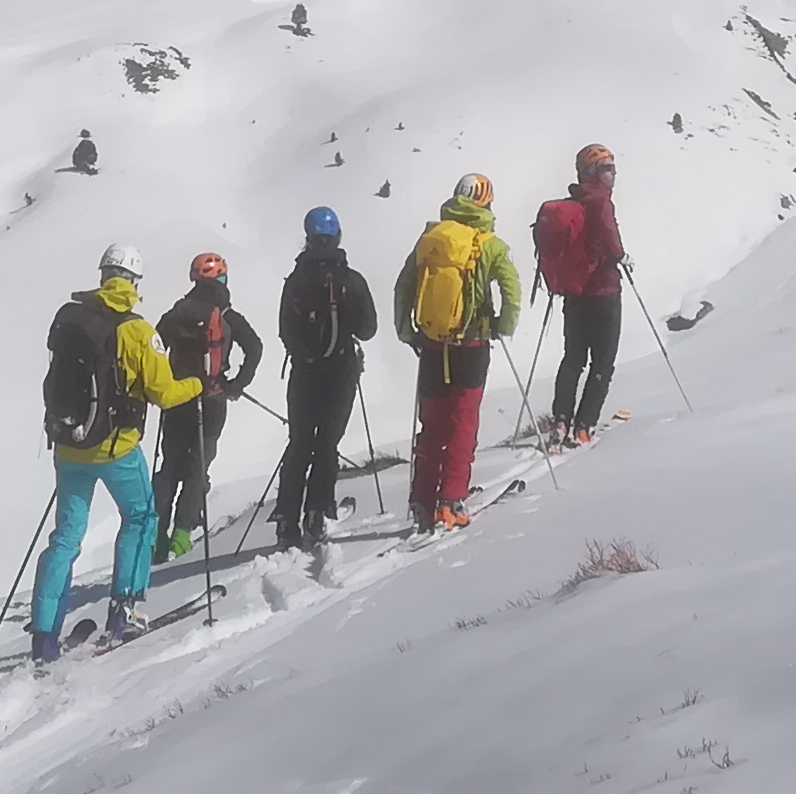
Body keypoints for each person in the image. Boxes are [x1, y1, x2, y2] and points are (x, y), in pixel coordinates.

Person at [30, 241, 202, 665]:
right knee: (141, 517)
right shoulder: (138, 331)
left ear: (104, 275)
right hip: (118, 448)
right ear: (135, 282)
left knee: (66, 537)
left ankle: (44, 636)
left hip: (70, 445)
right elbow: (163, 393)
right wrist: (199, 384)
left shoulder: (71, 318)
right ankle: (123, 612)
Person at [393, 172, 520, 530]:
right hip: (472, 345)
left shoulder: (430, 239)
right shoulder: (491, 244)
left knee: (431, 425)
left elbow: (403, 287)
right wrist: (503, 327)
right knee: (463, 421)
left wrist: (408, 332)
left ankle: (423, 500)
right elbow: (512, 290)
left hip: (432, 344)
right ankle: (452, 500)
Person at [271, 208, 377, 552]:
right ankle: (317, 513)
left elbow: (285, 330)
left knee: (300, 441)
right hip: (341, 370)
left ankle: (286, 519)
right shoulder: (351, 280)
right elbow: (368, 329)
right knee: (328, 442)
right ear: (338, 236)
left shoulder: (296, 280)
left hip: (304, 372)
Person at [152, 250, 262, 555]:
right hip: (212, 400)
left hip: (176, 399)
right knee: (199, 465)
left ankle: (155, 535)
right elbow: (255, 348)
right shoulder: (226, 315)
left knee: (170, 465)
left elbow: (155, 350)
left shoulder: (176, 313)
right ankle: (182, 535)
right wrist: (236, 385)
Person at [534, 142, 627, 445]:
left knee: (573, 358)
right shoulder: (600, 201)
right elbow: (610, 238)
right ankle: (584, 425)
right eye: (607, 167)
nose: (613, 173)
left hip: (574, 293)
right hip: (603, 290)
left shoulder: (573, 201)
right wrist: (621, 256)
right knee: (603, 361)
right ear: (593, 172)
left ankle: (561, 418)